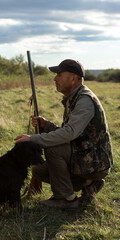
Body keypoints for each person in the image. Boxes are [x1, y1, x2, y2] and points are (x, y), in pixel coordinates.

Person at [15, 59, 113, 209]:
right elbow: (70, 132)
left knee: (53, 148)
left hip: (94, 162)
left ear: (73, 78)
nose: (55, 78)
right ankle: (88, 184)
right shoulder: (73, 98)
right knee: (39, 171)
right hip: (84, 155)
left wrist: (33, 139)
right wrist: (46, 125)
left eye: (59, 74)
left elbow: (68, 133)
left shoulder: (84, 100)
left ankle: (66, 199)